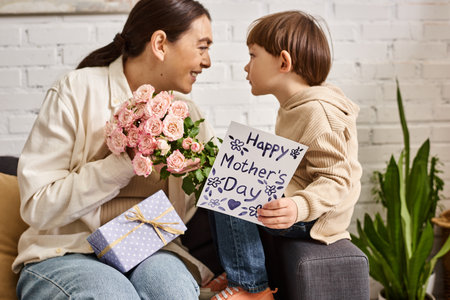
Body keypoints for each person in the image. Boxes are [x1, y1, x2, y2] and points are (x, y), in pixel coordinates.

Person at [13, 0, 218, 299]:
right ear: (160, 44)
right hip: (67, 252)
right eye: (202, 47)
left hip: (149, 250)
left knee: (172, 290)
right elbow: (37, 207)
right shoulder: (75, 90)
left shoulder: (188, 115)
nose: (208, 61)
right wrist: (124, 164)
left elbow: (205, 201)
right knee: (112, 294)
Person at [208, 10, 363, 300]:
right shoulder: (296, 105)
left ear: (283, 61)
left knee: (232, 187)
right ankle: (238, 274)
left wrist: (298, 206)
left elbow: (337, 180)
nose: (245, 67)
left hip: (316, 215)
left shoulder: (319, 112)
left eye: (253, 56)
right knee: (225, 173)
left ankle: (252, 288)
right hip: (300, 202)